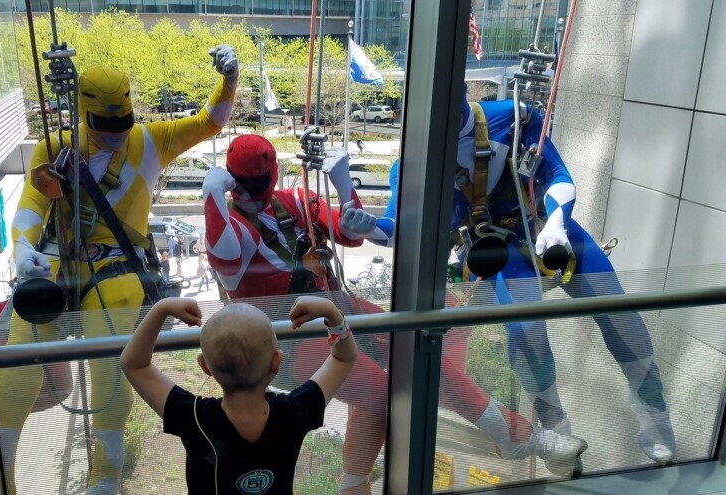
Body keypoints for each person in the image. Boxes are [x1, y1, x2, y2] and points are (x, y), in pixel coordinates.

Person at [361, 83, 676, 467]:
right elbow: (401, 225)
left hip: (546, 228)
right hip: (495, 249)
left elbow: (557, 173)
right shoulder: (412, 165)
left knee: (617, 309)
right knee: (526, 331)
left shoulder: (513, 118)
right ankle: (555, 424)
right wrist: (370, 227)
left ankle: (654, 411)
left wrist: (558, 220)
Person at [0, 44, 239, 495]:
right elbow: (32, 203)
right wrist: (22, 249)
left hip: (117, 267)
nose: (116, 134)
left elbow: (210, 122)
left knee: (110, 369)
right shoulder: (58, 147)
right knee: (18, 364)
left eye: (121, 123)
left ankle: (105, 477)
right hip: (54, 261)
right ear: (85, 113)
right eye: (106, 126)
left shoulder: (150, 140)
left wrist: (228, 81)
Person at [203, 134, 386, 494]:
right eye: (245, 182)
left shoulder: (293, 201)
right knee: (376, 390)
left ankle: (505, 428)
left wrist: (346, 190)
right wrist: (211, 196)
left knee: (408, 345)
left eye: (255, 182)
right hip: (288, 338)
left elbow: (346, 231)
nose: (251, 192)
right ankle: (353, 484)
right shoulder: (235, 228)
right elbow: (224, 260)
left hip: (326, 313)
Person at [120, 296, 358, 495]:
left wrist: (161, 309)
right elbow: (343, 358)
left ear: (205, 367)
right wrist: (331, 313)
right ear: (276, 363)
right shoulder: (295, 412)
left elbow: (134, 365)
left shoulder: (193, 417)